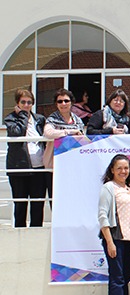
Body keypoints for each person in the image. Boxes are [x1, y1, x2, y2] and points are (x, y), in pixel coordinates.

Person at [97, 154, 130, 295]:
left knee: (125, 278)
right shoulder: (109, 188)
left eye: (126, 168)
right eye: (119, 168)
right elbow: (102, 216)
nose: (123, 171)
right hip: (115, 239)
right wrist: (110, 242)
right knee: (117, 278)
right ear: (112, 170)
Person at [4, 89, 46, 227]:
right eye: (23, 102)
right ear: (18, 103)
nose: (27, 105)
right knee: (20, 204)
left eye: (29, 102)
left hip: (39, 167)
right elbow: (17, 132)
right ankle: (20, 233)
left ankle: (36, 232)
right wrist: (22, 115)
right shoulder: (10, 118)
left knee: (37, 203)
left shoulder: (39, 119)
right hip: (19, 168)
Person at [43, 89, 84, 199]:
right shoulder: (52, 119)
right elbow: (48, 133)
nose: (63, 104)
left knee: (72, 197)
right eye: (60, 101)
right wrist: (68, 132)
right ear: (56, 104)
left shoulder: (78, 120)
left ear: (72, 102)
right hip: (55, 166)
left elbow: (83, 140)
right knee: (55, 199)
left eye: (66, 101)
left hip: (73, 165)